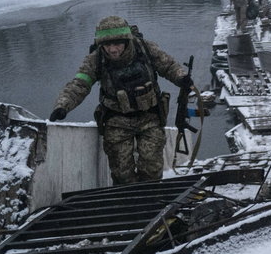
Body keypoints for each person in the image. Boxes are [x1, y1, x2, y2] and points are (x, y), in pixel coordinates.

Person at [49, 16, 192, 185]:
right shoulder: (95, 60)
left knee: (151, 169)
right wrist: (63, 106)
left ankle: (151, 202)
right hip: (116, 121)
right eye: (107, 45)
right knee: (122, 175)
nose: (113, 50)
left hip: (150, 117)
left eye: (117, 44)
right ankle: (130, 203)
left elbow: (168, 66)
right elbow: (79, 84)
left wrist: (181, 78)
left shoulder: (146, 49)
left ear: (126, 41)